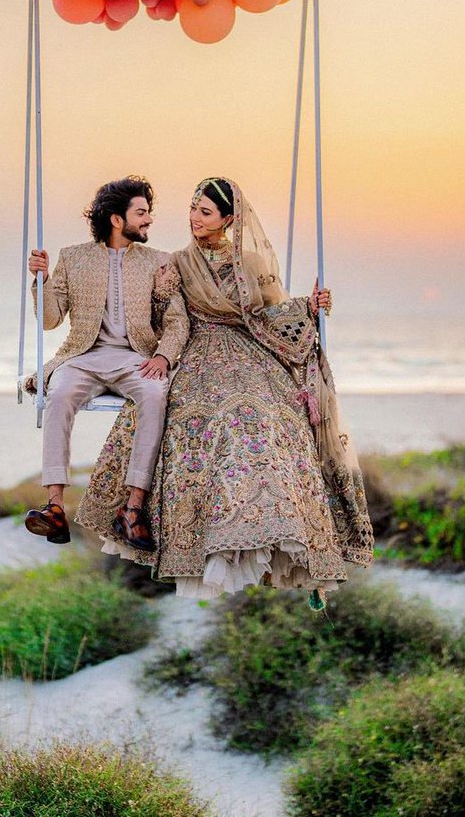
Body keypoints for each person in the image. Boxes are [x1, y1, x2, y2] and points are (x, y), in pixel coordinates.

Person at [76, 177, 374, 601]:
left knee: (274, 419)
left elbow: (269, 314)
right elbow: (161, 318)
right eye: (193, 208)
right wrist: (159, 302)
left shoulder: (250, 263)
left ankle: (282, 531)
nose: (194, 218)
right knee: (214, 421)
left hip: (251, 351)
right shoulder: (175, 263)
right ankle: (212, 533)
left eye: (205, 212)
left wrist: (308, 308)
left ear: (228, 219)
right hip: (197, 353)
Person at [23, 175, 189, 551]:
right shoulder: (73, 257)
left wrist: (163, 356)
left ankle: (132, 509)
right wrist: (40, 281)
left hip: (136, 358)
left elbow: (177, 321)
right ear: (117, 219)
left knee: (153, 395)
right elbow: (50, 320)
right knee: (59, 395)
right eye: (141, 213)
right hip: (83, 356)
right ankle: (54, 508)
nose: (148, 220)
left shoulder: (160, 262)